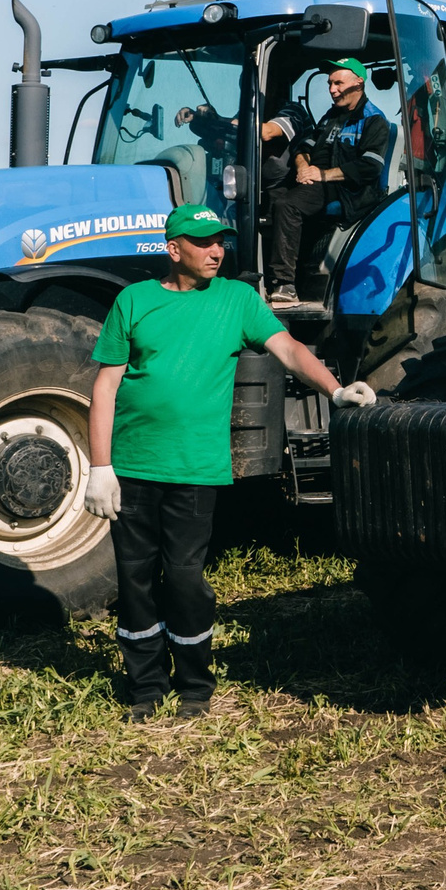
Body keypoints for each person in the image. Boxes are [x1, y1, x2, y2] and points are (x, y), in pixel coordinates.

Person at [80, 203, 375, 718]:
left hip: (195, 467)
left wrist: (335, 389)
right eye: (203, 242)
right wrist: (100, 467)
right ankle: (145, 686)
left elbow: (289, 350)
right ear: (174, 250)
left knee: (186, 576)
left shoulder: (238, 300)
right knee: (135, 576)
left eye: (219, 240)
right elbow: (104, 387)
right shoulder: (134, 301)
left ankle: (194, 684)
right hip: (132, 466)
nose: (216, 250)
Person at [260, 58, 393, 307]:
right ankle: (268, 276)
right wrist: (303, 167)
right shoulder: (331, 116)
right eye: (330, 83)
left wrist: (321, 175)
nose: (332, 89)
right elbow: (304, 146)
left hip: (346, 191)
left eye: (338, 83)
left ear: (358, 83)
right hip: (315, 182)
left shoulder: (374, 120)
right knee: (269, 199)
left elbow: (369, 167)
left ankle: (285, 284)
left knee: (288, 205)